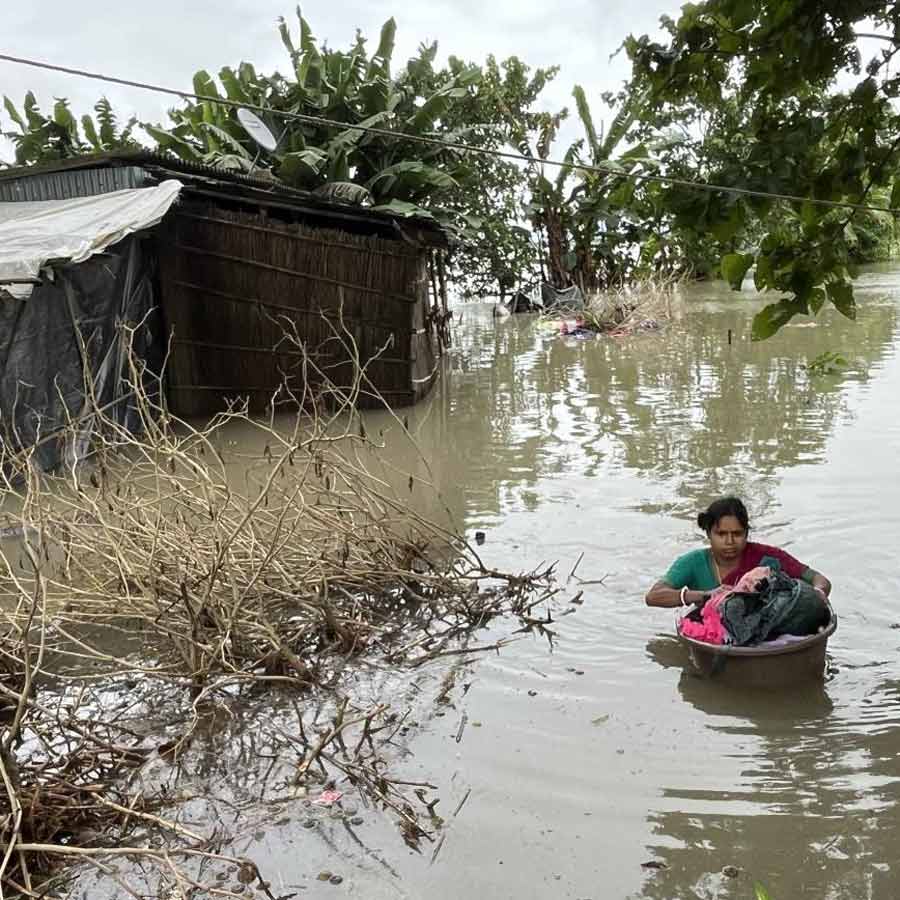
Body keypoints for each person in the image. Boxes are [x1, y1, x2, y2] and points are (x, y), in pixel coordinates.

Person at [645, 496, 831, 609]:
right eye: (721, 534)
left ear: (746, 533)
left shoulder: (767, 558)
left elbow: (820, 580)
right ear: (709, 534)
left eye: (737, 534)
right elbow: (653, 596)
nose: (729, 541)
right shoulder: (692, 562)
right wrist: (706, 595)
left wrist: (817, 595)